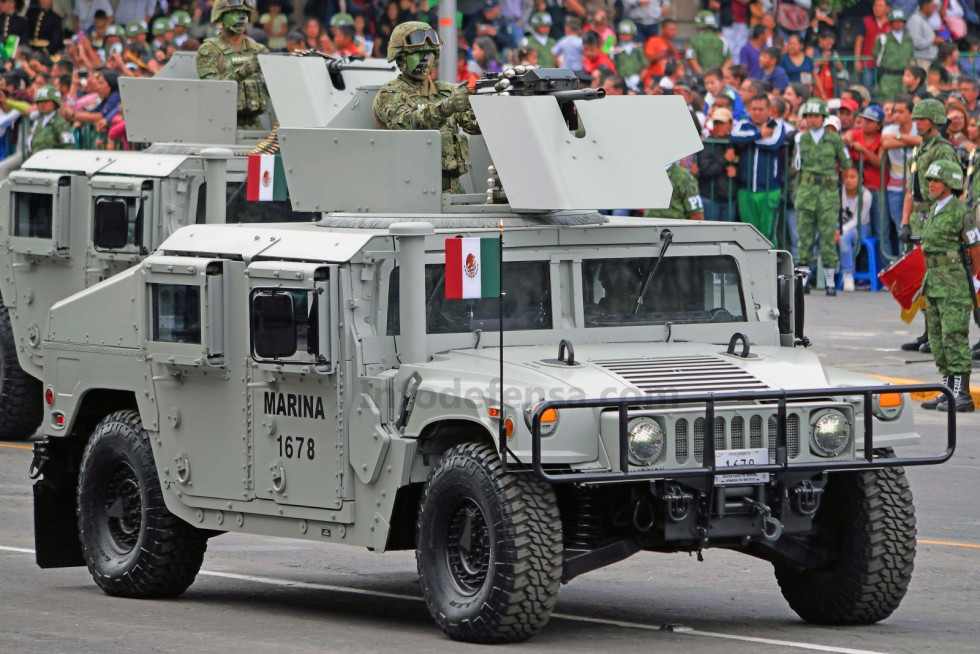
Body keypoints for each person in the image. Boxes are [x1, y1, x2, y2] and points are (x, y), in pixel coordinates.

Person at [373, 22, 480, 194]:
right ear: (400, 57)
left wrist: (497, 103)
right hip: (412, 191)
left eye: (429, 53)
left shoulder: (446, 91)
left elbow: (474, 124)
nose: (424, 59)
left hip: (454, 192)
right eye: (416, 53)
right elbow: (407, 123)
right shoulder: (390, 93)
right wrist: (446, 107)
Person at [918, 159, 980, 412]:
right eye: (930, 180)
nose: (931, 184)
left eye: (936, 180)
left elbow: (976, 252)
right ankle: (948, 391)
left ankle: (962, 394)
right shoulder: (934, 209)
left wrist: (967, 280)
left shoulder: (960, 213)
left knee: (954, 337)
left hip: (953, 285)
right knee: (937, 339)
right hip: (933, 282)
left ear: (950, 184)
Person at [900, 98, 958, 351]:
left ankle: (940, 335)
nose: (917, 123)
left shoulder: (942, 150)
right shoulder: (920, 148)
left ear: (934, 121)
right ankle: (927, 332)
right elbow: (910, 189)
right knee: (920, 280)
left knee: (936, 278)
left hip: (935, 216)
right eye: (916, 119)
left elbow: (952, 186)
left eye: (921, 119)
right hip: (918, 217)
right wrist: (904, 222)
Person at [794, 98, 852, 295]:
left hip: (827, 192)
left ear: (823, 118)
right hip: (807, 190)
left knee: (828, 237)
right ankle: (803, 280)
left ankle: (829, 282)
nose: (812, 120)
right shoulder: (801, 139)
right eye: (809, 116)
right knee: (805, 238)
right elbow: (798, 168)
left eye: (816, 116)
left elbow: (846, 164)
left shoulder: (834, 139)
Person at [196, 0, 270, 130]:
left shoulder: (258, 49)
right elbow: (211, 88)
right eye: (235, 12)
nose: (241, 17)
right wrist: (243, 72)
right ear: (221, 16)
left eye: (244, 13)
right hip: (222, 125)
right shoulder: (210, 50)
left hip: (256, 125)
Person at [730, 93, 786, 242]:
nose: (756, 112)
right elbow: (734, 137)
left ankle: (769, 265)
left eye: (760, 109)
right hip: (745, 189)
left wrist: (749, 139)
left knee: (768, 235)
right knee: (748, 235)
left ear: (769, 110)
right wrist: (760, 134)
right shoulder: (743, 124)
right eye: (753, 108)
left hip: (769, 190)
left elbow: (772, 143)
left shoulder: (776, 125)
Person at [881, 96, 922, 256]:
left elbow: (920, 140)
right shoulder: (888, 130)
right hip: (894, 186)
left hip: (914, 186)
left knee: (916, 227)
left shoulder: (917, 129)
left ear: (911, 113)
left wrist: (898, 138)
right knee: (900, 227)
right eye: (894, 112)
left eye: (900, 111)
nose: (896, 115)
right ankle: (901, 263)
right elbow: (885, 142)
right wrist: (909, 142)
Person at [837, 167, 874, 291]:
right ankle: (829, 271)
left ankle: (847, 274)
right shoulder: (839, 192)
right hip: (841, 226)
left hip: (860, 228)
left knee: (844, 238)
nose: (848, 180)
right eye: (846, 177)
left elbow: (858, 219)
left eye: (852, 177)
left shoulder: (866, 195)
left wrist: (841, 231)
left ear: (861, 179)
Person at [698, 107, 737, 221]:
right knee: (709, 235)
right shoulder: (707, 144)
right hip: (710, 198)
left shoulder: (735, 144)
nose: (719, 126)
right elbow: (706, 171)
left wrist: (736, 172)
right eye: (716, 123)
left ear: (730, 124)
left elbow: (743, 168)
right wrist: (724, 159)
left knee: (728, 236)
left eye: (722, 123)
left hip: (730, 199)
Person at [874, 9, 913, 101]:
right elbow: (876, 56)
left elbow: (910, 55)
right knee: (887, 101)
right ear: (891, 23)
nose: (898, 24)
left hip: (904, 76)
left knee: (904, 102)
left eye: (900, 22)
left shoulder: (908, 38)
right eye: (895, 22)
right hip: (888, 76)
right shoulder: (884, 38)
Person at [27, 85, 74, 156]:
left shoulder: (60, 123)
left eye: (45, 101)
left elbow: (68, 148)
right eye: (39, 102)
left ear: (55, 102)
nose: (41, 105)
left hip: (53, 163)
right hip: (36, 162)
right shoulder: (39, 122)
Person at [907, 0, 942, 67]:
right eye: (932, 7)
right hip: (920, 62)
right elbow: (915, 43)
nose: (934, 10)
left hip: (928, 61)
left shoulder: (925, 19)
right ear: (925, 7)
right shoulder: (915, 20)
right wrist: (932, 41)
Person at [613, 20, 646, 90]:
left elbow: (645, 66)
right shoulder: (615, 49)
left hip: (636, 81)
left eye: (627, 34)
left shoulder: (638, 48)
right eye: (622, 34)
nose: (624, 36)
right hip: (620, 82)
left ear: (633, 35)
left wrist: (638, 78)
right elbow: (612, 66)